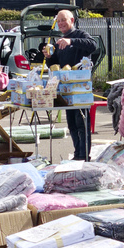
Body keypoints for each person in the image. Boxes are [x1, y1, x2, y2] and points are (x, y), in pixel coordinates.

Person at [46, 9, 97, 160]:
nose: (60, 23)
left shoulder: (79, 35)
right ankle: (77, 154)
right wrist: (49, 57)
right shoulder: (59, 41)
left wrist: (71, 41)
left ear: (72, 21)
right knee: (72, 124)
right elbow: (53, 63)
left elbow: (93, 45)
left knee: (82, 123)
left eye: (64, 20)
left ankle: (84, 155)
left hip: (81, 90)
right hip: (66, 89)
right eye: (58, 20)